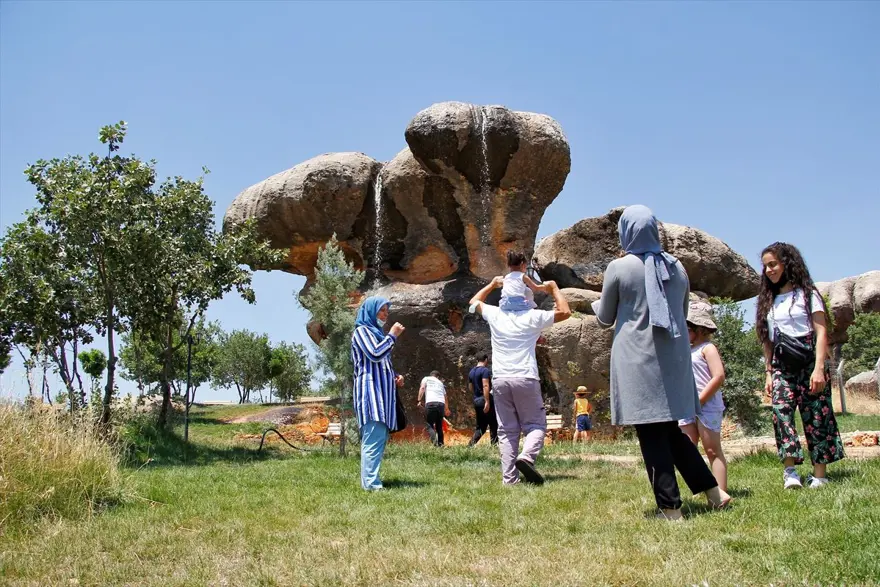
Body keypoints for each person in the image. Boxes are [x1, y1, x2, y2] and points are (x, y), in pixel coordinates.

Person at [591, 205, 730, 520]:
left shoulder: (619, 267)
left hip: (637, 359)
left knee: (651, 435)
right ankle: (714, 492)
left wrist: (598, 304)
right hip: (672, 359)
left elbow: (605, 317)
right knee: (669, 431)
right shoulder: (677, 267)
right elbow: (682, 314)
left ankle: (670, 509)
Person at [469, 255, 571, 485]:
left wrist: (491, 285)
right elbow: (565, 312)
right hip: (525, 376)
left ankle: (509, 479)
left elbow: (473, 302)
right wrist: (554, 289)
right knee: (535, 425)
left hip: (500, 379)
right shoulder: (533, 316)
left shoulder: (495, 314)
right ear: (527, 297)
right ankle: (527, 457)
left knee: (506, 431)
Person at [756, 242, 844, 489]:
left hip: (809, 362)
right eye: (765, 266)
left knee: (816, 415)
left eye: (773, 264)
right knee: (781, 413)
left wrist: (819, 369)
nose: (769, 270)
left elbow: (821, 332)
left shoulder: (808, 295)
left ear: (787, 263)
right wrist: (769, 373)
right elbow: (767, 340)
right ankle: (791, 472)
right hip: (781, 364)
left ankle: (820, 475)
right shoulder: (768, 300)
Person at [351, 296, 405, 491]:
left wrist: (395, 376)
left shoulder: (377, 334)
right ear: (370, 311)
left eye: (386, 311)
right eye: (381, 310)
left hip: (382, 396)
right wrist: (392, 336)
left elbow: (381, 362)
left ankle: (372, 480)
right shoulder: (361, 332)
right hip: (371, 395)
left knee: (378, 439)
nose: (385, 314)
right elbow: (374, 354)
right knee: (373, 439)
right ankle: (371, 485)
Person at [677, 303, 728, 492]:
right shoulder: (685, 349)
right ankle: (704, 488)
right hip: (686, 405)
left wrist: (700, 400)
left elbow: (718, 376)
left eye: (687, 328)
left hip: (707, 405)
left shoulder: (708, 348)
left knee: (712, 450)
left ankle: (721, 492)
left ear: (699, 329)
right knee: (687, 450)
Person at [468, 354, 498, 446]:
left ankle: (470, 445)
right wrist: (487, 401)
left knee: (481, 427)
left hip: (477, 400)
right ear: (486, 360)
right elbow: (485, 385)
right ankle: (494, 446)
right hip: (485, 399)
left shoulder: (471, 372)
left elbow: (470, 388)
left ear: (477, 360)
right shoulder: (485, 370)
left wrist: (477, 395)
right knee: (494, 424)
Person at [418, 370, 450, 446]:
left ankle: (435, 444)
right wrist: (446, 409)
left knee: (429, 424)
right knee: (439, 426)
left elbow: (422, 388)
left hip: (431, 403)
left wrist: (419, 400)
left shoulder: (426, 378)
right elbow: (445, 397)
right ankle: (441, 445)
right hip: (441, 404)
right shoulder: (440, 383)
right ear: (437, 377)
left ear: (431, 375)